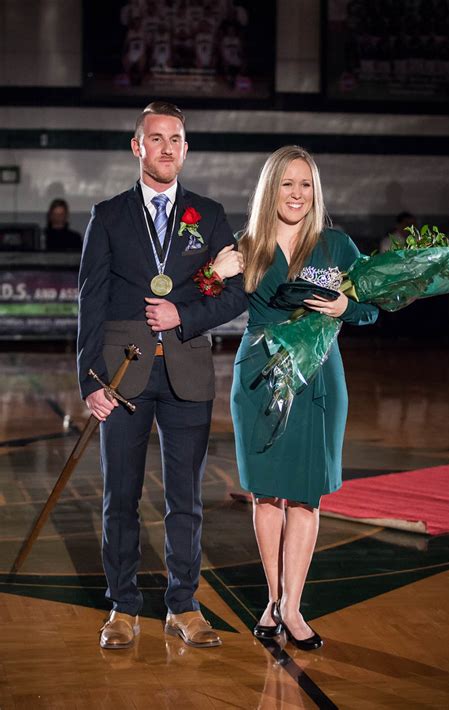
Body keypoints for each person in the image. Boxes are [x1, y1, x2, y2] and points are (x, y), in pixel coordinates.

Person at [77, 101, 246, 650]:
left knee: (185, 499)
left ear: (186, 148)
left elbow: (234, 292)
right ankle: (122, 607)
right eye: (156, 138)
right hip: (122, 374)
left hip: (187, 372)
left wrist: (185, 314)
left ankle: (183, 604)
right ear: (137, 146)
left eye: (176, 139)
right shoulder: (107, 215)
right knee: (120, 497)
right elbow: (90, 301)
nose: (167, 148)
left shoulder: (209, 214)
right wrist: (89, 381)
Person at [230, 146, 378, 649]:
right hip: (259, 374)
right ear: (271, 188)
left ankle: (293, 607)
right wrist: (212, 274)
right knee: (267, 492)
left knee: (305, 495)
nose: (296, 194)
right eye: (287, 184)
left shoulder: (336, 246)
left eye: (306, 184)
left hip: (316, 376)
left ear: (316, 191)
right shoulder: (246, 245)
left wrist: (344, 304)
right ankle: (273, 601)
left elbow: (371, 309)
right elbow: (208, 298)